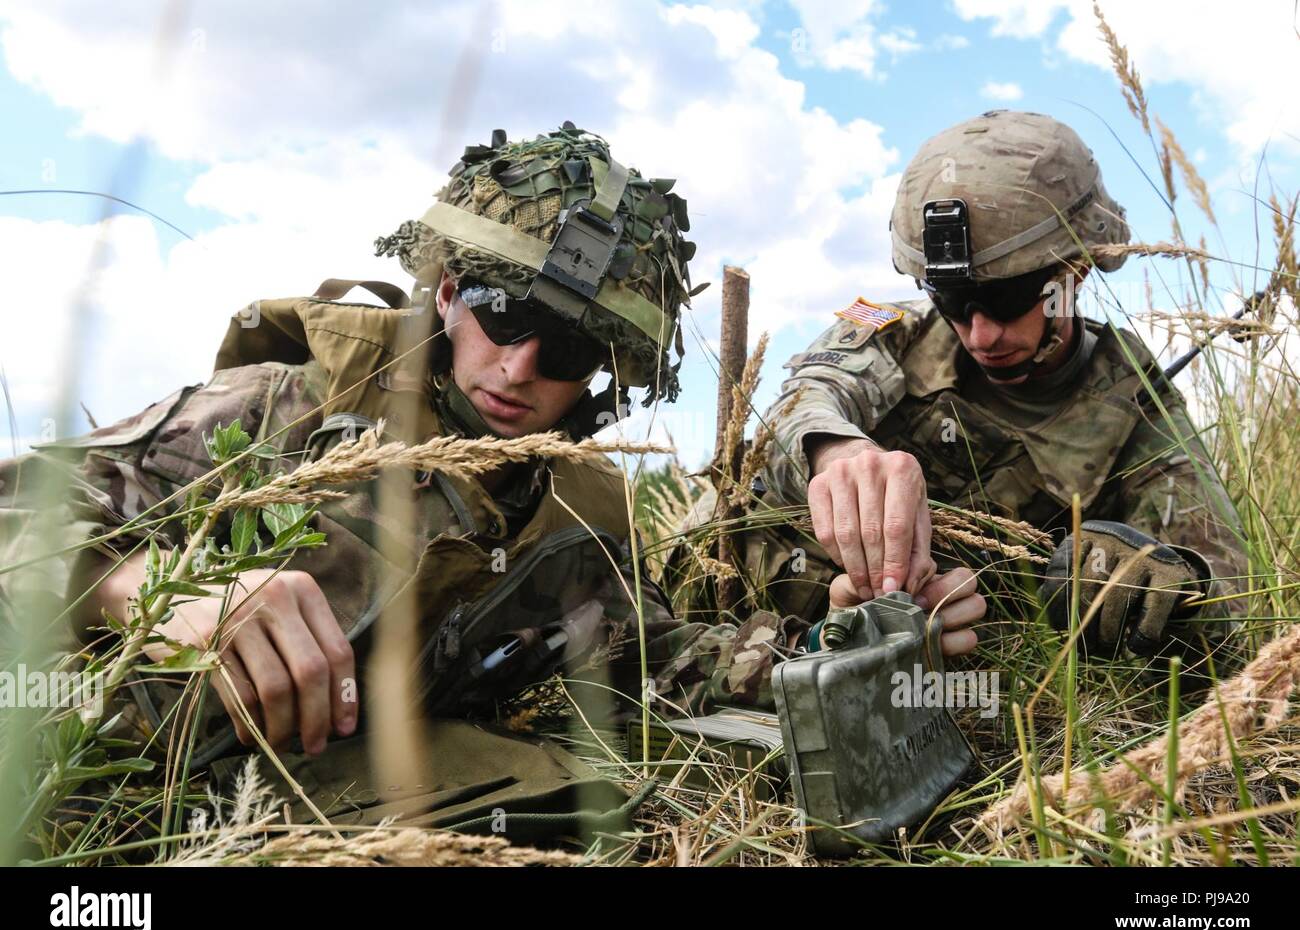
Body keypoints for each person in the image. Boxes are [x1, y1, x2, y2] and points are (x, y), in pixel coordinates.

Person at [1, 124, 986, 838]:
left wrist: (849, 641)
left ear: (603, 371)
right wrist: (148, 588)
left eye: (562, 345)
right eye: (499, 312)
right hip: (77, 778)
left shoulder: (576, 504)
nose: (518, 367)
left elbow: (660, 659)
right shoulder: (285, 408)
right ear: (444, 292)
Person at [749, 109, 1247, 671]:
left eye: (1009, 299)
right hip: (756, 633)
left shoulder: (1132, 400)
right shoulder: (893, 333)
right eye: (953, 300)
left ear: (1077, 271)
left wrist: (1159, 590)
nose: (980, 333)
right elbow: (801, 400)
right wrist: (836, 451)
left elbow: (1227, 599)